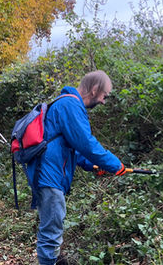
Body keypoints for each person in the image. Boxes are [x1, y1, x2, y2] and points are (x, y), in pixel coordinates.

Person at [27, 71, 126, 265]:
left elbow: (73, 148)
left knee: (52, 227)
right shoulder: (70, 105)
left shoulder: (66, 103)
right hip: (49, 176)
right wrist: (116, 165)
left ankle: (54, 260)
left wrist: (93, 165)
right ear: (95, 89)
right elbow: (86, 143)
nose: (104, 101)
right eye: (104, 96)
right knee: (51, 231)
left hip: (47, 174)